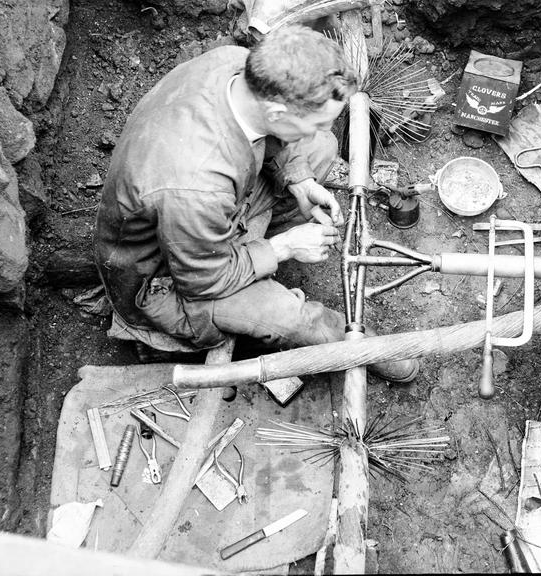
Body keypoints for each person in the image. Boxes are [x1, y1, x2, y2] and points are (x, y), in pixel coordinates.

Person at [94, 24, 419, 383]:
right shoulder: (195, 184)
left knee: (319, 148)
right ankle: (356, 345)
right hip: (167, 279)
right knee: (289, 316)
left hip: (207, 221)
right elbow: (205, 281)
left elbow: (285, 144)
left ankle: (263, 235)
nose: (319, 128)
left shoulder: (237, 65)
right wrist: (284, 246)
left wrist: (300, 180)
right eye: (314, 121)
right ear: (278, 113)